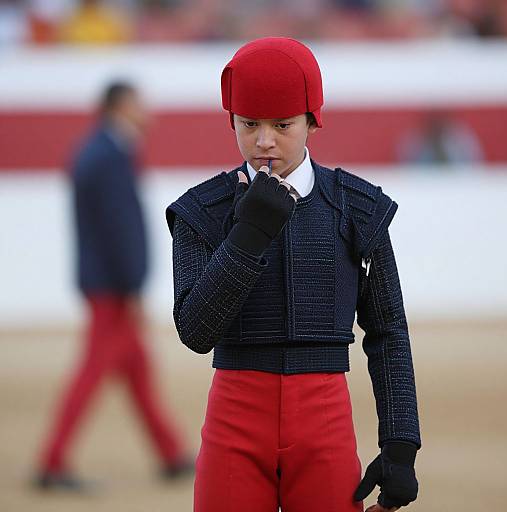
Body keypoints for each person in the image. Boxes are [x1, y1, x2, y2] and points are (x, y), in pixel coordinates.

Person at [166, 37, 420, 512]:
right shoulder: (201, 211)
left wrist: (401, 442)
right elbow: (196, 331)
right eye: (249, 124)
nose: (264, 141)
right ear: (232, 121)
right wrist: (249, 232)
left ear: (312, 121)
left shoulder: (358, 208)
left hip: (324, 421)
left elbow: (387, 330)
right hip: (234, 419)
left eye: (282, 125)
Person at [35, 81, 194, 491]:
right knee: (91, 374)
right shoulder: (110, 155)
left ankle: (171, 454)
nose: (146, 110)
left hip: (107, 282)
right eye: (139, 103)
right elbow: (120, 229)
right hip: (113, 287)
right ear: (120, 107)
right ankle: (51, 463)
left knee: (138, 373)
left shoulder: (100, 150)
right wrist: (133, 286)